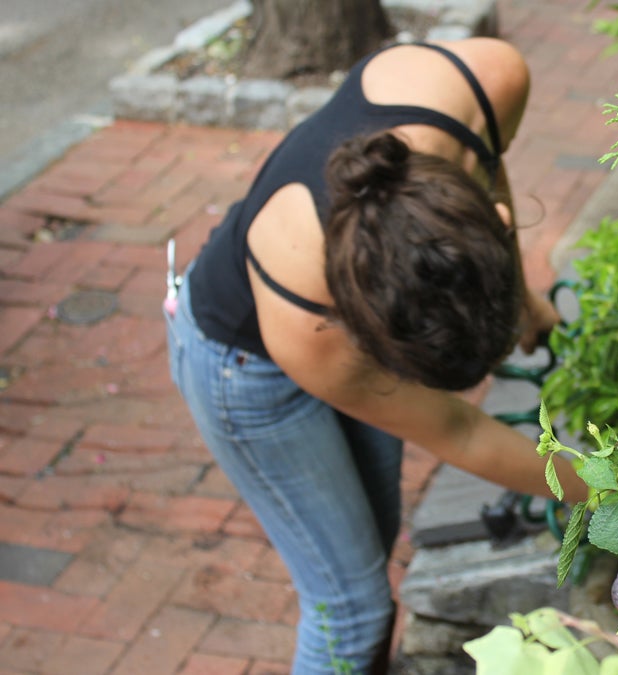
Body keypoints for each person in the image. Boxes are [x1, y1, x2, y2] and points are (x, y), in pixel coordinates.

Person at [164, 37, 587, 674]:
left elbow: (487, 170)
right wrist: (612, 491)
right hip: (244, 371)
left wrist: (519, 296)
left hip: (338, 307)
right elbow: (459, 429)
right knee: (350, 603)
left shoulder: (484, 83)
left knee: (373, 532)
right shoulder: (311, 329)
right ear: (380, 342)